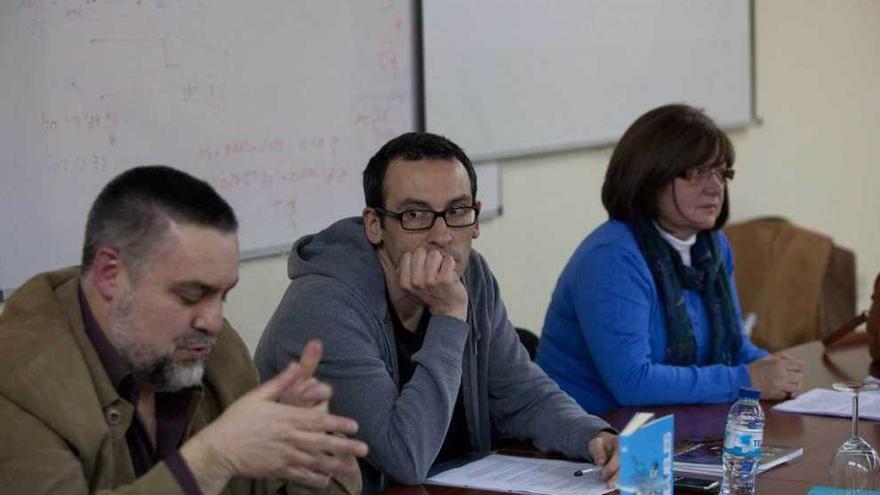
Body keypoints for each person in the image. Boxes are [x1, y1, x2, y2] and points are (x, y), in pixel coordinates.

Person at [254, 132, 619, 492]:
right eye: (416, 214)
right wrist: (448, 316)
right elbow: (405, 458)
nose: (442, 235)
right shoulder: (325, 306)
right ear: (375, 225)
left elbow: (521, 393)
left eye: (457, 211)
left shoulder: (471, 274)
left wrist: (593, 435)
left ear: (475, 219)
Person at [0, 166, 368, 494]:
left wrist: (310, 452)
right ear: (110, 275)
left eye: (223, 295)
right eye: (191, 295)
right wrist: (211, 459)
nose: (213, 321)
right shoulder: (18, 379)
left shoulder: (214, 348)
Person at [537, 104, 804, 415]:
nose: (715, 187)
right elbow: (633, 383)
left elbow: (735, 348)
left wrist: (775, 370)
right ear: (650, 176)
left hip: (672, 421)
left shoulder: (712, 246)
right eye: (696, 173)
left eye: (721, 172)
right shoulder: (612, 258)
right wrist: (746, 379)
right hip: (590, 437)